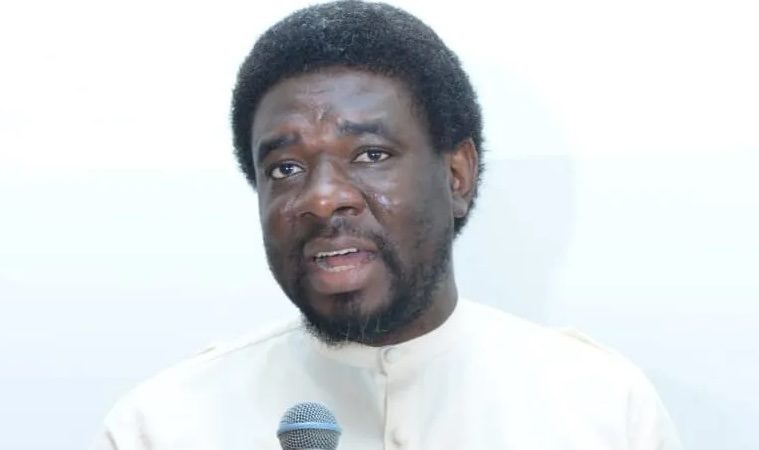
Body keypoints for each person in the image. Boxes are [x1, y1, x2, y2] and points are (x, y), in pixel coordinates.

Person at [92, 1, 682, 448]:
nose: (322, 199)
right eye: (286, 167)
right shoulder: (162, 427)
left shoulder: (600, 409)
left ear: (456, 175)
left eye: (370, 155)